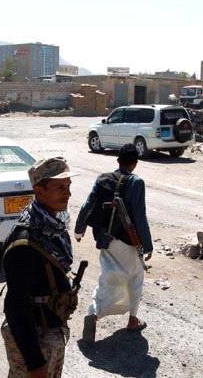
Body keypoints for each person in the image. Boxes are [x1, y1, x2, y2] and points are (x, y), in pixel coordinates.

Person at [1, 157, 79, 378]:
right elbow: (16, 307)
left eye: (68, 186)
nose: (68, 193)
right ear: (39, 190)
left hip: (52, 331)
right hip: (35, 339)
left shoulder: (53, 228)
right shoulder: (24, 242)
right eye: (59, 187)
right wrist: (34, 363)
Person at [74, 143, 153, 345]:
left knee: (107, 277)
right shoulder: (136, 182)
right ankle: (133, 320)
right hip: (128, 241)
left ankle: (93, 313)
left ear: (118, 160)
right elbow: (140, 216)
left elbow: (87, 205)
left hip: (105, 239)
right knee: (135, 278)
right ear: (135, 163)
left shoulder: (102, 178)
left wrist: (79, 229)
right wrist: (148, 245)